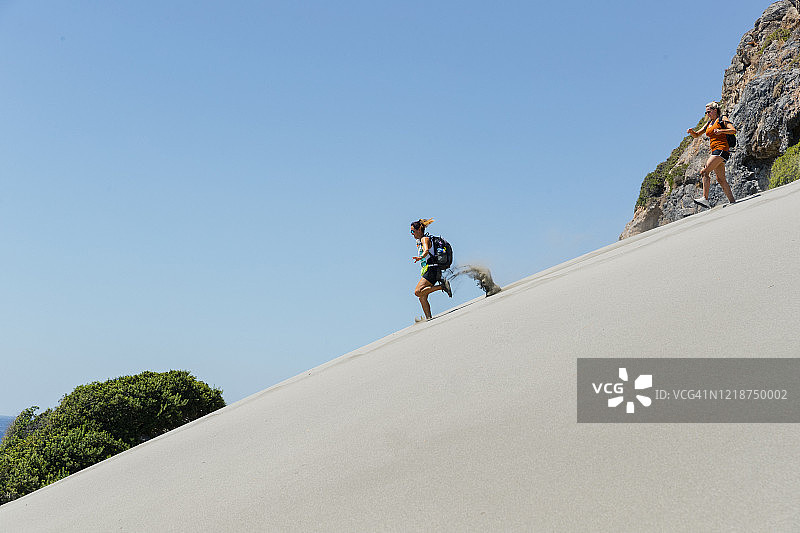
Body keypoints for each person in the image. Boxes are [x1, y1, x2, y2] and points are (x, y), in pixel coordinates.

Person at [687, 101, 737, 208]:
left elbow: (733, 130)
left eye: (709, 111)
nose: (707, 114)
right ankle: (733, 202)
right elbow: (697, 135)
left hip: (722, 149)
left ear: (715, 110)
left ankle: (705, 198)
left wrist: (721, 131)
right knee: (721, 179)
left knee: (704, 171)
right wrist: (691, 132)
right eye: (706, 112)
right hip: (715, 151)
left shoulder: (722, 119)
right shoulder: (709, 123)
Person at [410, 218, 452, 321]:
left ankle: (442, 286)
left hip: (432, 269)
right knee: (422, 296)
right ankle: (429, 319)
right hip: (430, 269)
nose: (412, 234)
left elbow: (426, 250)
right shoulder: (419, 240)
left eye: (413, 231)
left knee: (418, 292)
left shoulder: (425, 239)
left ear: (419, 230)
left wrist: (421, 257)